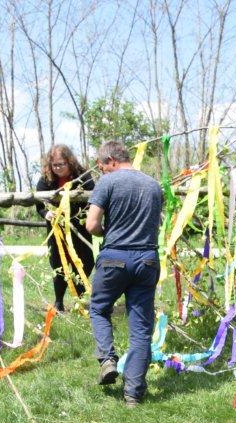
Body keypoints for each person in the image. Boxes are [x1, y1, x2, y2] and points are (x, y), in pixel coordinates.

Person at [86, 141, 163, 407]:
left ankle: (107, 359)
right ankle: (133, 395)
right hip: (147, 259)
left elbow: (92, 224)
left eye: (101, 166)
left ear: (109, 161)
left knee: (98, 308)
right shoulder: (153, 185)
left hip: (115, 258)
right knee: (141, 329)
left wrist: (104, 233)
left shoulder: (107, 183)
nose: (102, 171)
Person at [34, 144, 95, 311]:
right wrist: (46, 214)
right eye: (54, 165)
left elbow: (94, 199)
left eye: (61, 164)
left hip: (79, 228)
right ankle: (59, 301)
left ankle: (80, 298)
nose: (58, 168)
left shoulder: (83, 176)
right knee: (58, 264)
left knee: (86, 262)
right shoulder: (46, 180)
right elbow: (39, 204)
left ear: (69, 161)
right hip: (57, 230)